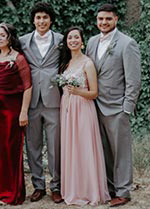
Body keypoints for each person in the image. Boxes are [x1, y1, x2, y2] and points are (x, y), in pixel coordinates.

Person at [86, 4, 141, 207]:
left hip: (117, 107)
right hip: (94, 105)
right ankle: (109, 188)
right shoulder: (91, 42)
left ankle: (123, 191)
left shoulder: (127, 44)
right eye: (101, 19)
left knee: (121, 152)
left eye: (108, 19)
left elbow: (134, 80)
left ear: (116, 19)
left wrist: (127, 108)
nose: (104, 22)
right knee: (103, 151)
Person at [59, 26, 110, 205]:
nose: (72, 41)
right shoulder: (66, 63)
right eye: (69, 38)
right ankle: (74, 188)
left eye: (76, 38)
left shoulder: (88, 63)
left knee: (84, 147)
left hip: (82, 108)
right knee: (71, 148)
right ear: (66, 42)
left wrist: (78, 92)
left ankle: (89, 191)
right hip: (67, 108)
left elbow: (94, 92)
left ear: (82, 41)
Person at [19, 2, 63, 203]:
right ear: (33, 20)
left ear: (51, 19)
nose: (42, 21)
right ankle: (38, 186)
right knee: (33, 145)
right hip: (32, 100)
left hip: (54, 100)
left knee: (55, 147)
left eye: (45, 17)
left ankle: (57, 185)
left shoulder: (61, 40)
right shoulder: (23, 41)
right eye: (38, 18)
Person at [0, 23, 32, 205]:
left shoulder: (18, 59)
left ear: (10, 37)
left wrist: (23, 112)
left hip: (13, 111)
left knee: (11, 150)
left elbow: (28, 86)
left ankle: (13, 193)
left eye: (2, 35)